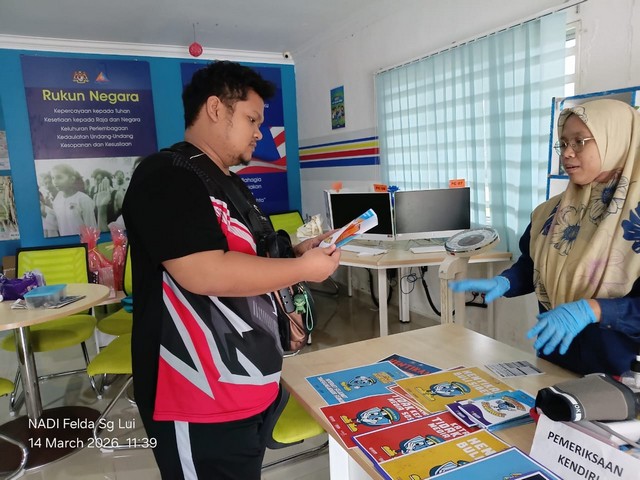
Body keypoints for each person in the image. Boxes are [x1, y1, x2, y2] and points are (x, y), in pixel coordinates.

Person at [122, 60, 340, 480]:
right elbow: (203, 271)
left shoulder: (228, 182)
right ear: (215, 108)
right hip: (196, 396)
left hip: (249, 383)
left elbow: (249, 257)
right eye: (252, 119)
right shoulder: (167, 175)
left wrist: (298, 252)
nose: (260, 132)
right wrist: (301, 269)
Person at [450, 99, 640, 376]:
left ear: (617, 141)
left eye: (579, 142)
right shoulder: (551, 213)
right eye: (563, 143)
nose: (568, 153)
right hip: (556, 359)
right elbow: (532, 264)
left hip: (621, 373)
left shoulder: (635, 216)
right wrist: (506, 281)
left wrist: (593, 309)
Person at [50, 163, 97, 236]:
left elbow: (91, 228)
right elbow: (58, 223)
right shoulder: (57, 199)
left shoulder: (83, 199)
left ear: (72, 179)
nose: (55, 181)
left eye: (59, 177)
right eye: (53, 178)